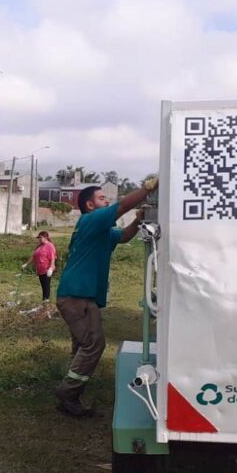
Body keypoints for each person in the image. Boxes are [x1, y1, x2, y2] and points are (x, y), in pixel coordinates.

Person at [53, 178, 158, 417]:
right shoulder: (91, 219)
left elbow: (124, 236)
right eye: (102, 198)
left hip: (77, 295)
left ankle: (70, 393)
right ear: (90, 205)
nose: (107, 201)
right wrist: (147, 189)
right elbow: (122, 206)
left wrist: (138, 219)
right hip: (78, 295)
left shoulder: (101, 230)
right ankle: (68, 393)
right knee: (94, 344)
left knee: (82, 346)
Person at [22, 231, 58, 302]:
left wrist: (51, 268)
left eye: (40, 237)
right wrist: (26, 264)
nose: (39, 239)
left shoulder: (50, 246)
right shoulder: (39, 246)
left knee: (46, 286)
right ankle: (44, 300)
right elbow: (33, 256)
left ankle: (46, 301)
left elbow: (52, 258)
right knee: (43, 286)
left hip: (47, 269)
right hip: (40, 270)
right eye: (38, 238)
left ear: (45, 237)